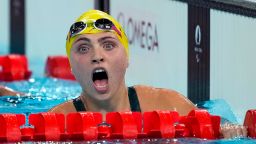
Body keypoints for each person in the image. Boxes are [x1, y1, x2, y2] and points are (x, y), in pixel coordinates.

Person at [0, 10, 247, 139]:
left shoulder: (167, 104)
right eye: (83, 48)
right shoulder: (56, 121)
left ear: (127, 58)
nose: (97, 56)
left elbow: (219, 125)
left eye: (108, 45)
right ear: (72, 67)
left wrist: (230, 130)